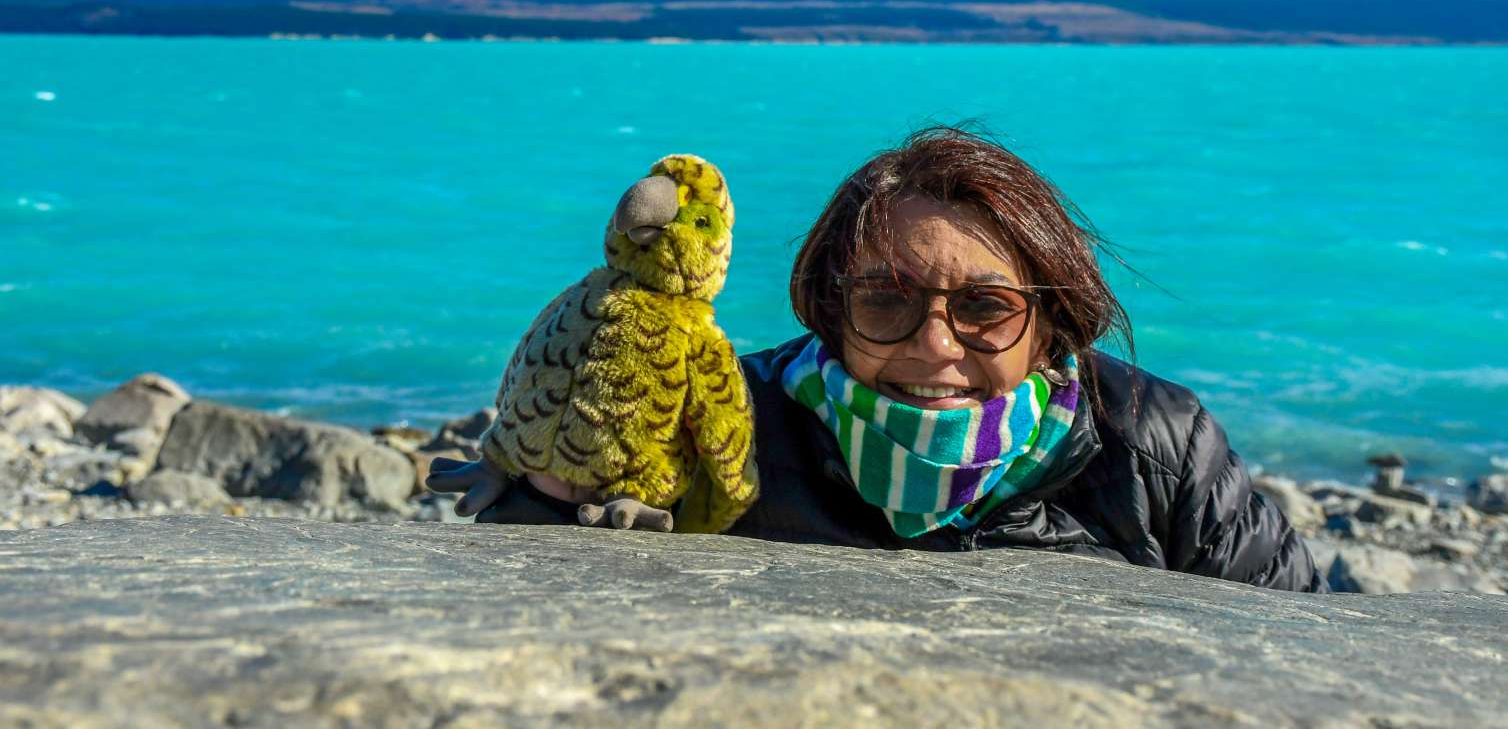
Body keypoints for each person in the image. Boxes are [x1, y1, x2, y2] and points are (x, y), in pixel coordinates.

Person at [465, 125, 1327, 593]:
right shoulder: (729, 420)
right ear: (830, 307)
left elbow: (1302, 643)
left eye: (987, 307)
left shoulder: (1155, 442)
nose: (935, 346)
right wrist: (550, 499)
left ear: (1051, 321)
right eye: (886, 299)